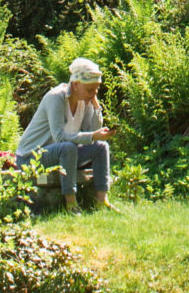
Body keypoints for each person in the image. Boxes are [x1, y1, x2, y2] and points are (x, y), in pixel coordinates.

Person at [15, 56, 114, 211]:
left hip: (62, 154)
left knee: (101, 146)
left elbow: (92, 130)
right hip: (30, 158)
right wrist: (93, 135)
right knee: (68, 147)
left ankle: (102, 201)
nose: (94, 93)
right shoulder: (56, 98)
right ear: (75, 85)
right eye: (90, 89)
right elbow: (59, 137)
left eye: (96, 89)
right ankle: (71, 203)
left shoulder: (86, 99)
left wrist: (96, 107)